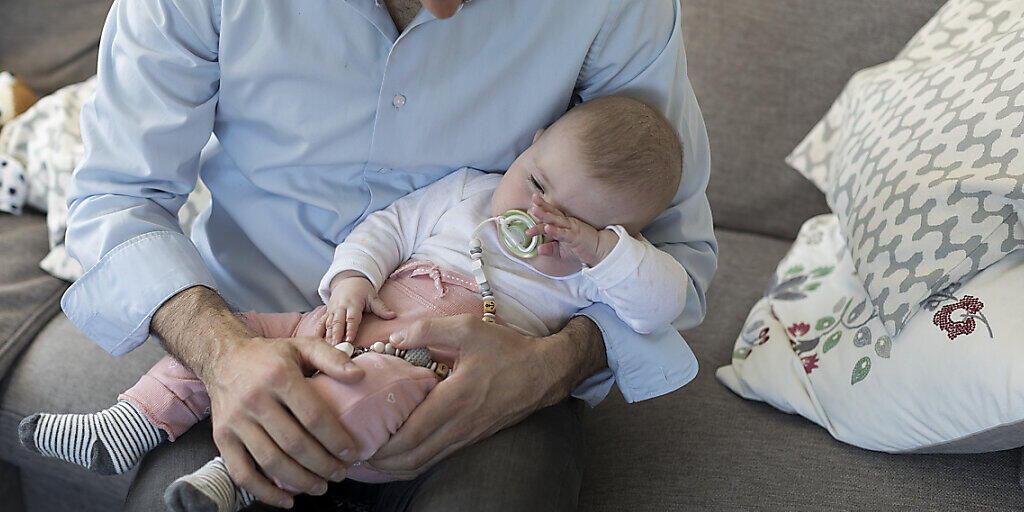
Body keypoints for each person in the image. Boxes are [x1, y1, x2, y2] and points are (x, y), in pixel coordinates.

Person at [58, 0, 717, 509]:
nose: (446, 13)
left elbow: (675, 255)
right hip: (250, 336)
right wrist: (219, 352)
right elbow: (119, 195)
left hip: (488, 380)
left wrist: (554, 363)